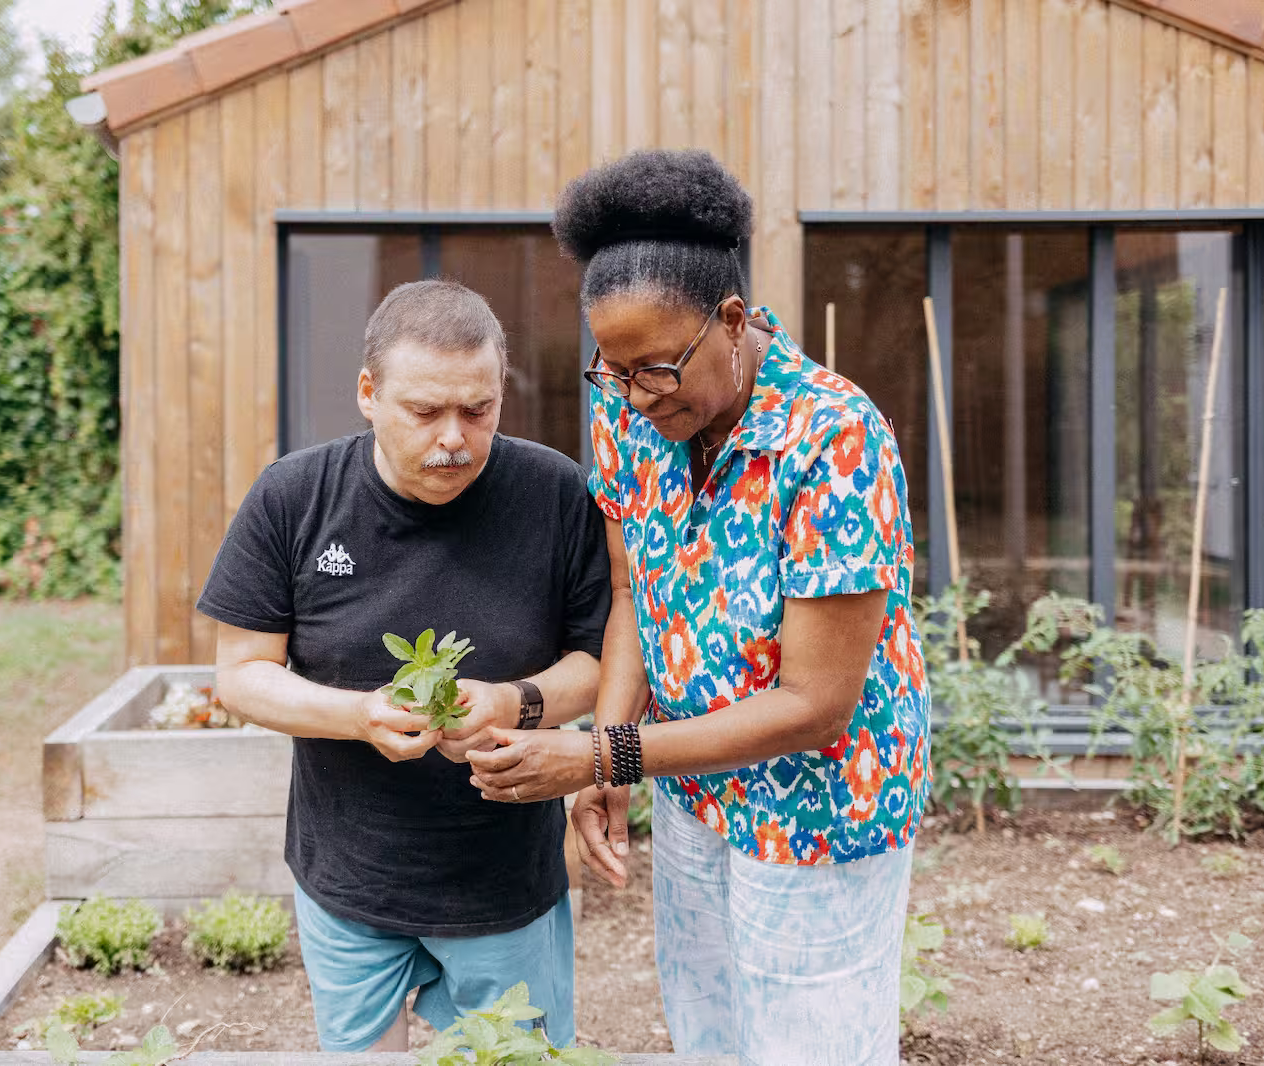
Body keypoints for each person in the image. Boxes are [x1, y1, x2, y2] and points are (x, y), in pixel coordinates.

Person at [465, 149, 930, 1065]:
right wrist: (607, 751)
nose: (636, 396)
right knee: (708, 1030)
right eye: (613, 370)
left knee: (809, 1044)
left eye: (657, 370)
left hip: (821, 813)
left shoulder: (835, 439)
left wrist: (603, 753)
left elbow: (815, 704)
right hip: (691, 789)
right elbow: (636, 587)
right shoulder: (630, 408)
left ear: (731, 319)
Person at [198, 279, 610, 1053]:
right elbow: (242, 673)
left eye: (478, 410)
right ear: (368, 393)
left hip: (507, 885)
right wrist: (358, 716)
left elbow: (600, 660)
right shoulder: (294, 498)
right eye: (425, 412)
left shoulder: (554, 492)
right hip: (349, 878)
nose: (453, 438)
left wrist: (513, 702)